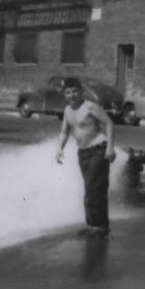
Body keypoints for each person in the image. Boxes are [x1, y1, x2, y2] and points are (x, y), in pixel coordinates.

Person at [55, 77, 117, 237]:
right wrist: (59, 149)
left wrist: (110, 147)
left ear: (81, 91)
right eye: (68, 92)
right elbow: (64, 131)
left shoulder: (90, 107)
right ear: (64, 94)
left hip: (98, 149)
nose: (72, 95)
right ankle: (93, 225)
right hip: (83, 153)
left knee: (93, 188)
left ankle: (100, 227)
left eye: (75, 91)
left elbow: (109, 123)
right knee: (90, 190)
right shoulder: (67, 111)